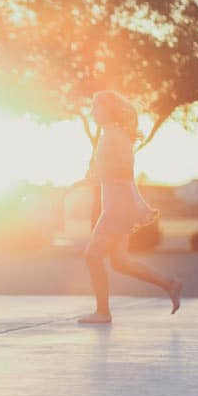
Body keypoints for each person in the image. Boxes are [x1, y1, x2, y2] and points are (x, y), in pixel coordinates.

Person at [68, 90, 183, 324]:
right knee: (120, 261)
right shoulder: (108, 134)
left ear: (108, 110)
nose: (92, 112)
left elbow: (124, 170)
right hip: (116, 202)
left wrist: (90, 177)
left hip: (119, 203)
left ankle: (103, 312)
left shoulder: (116, 136)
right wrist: (94, 175)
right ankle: (169, 284)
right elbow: (109, 170)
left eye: (96, 107)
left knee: (92, 255)